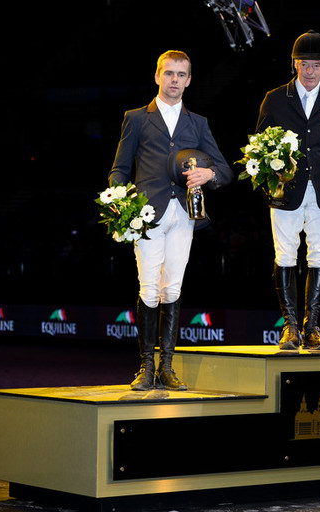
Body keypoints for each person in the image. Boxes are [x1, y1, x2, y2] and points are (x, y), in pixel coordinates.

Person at [109, 50, 233, 391]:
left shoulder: (199, 123)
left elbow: (225, 170)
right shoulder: (136, 118)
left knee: (173, 288)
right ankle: (145, 368)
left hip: (185, 216)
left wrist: (209, 174)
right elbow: (119, 169)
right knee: (149, 288)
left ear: (189, 79)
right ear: (157, 76)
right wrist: (120, 203)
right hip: (146, 217)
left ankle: (167, 367)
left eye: (181, 74)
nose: (174, 80)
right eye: (169, 73)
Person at [255, 30, 320, 351]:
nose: (310, 71)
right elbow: (258, 145)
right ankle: (290, 328)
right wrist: (268, 171)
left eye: (316, 65)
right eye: (305, 64)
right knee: (284, 254)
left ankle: (311, 327)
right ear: (294, 64)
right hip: (285, 189)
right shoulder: (274, 98)